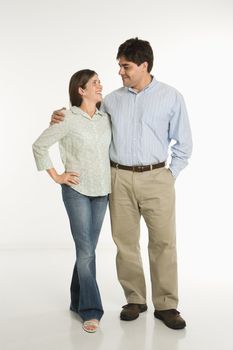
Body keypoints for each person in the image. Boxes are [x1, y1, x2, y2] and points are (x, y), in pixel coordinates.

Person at [51, 38, 193, 330]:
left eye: (125, 66)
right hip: (118, 177)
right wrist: (59, 115)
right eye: (119, 66)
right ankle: (135, 299)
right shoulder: (112, 100)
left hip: (157, 178)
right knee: (125, 243)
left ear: (144, 65)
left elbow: (185, 144)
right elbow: (83, 115)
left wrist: (169, 174)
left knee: (163, 243)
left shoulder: (171, 97)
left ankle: (166, 305)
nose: (120, 72)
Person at [32, 69, 111, 333]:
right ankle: (91, 310)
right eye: (95, 83)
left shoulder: (105, 118)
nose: (100, 86)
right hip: (76, 191)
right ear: (81, 89)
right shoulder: (66, 117)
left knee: (87, 251)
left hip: (102, 192)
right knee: (86, 251)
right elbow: (39, 145)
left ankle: (77, 301)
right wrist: (57, 176)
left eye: (100, 82)